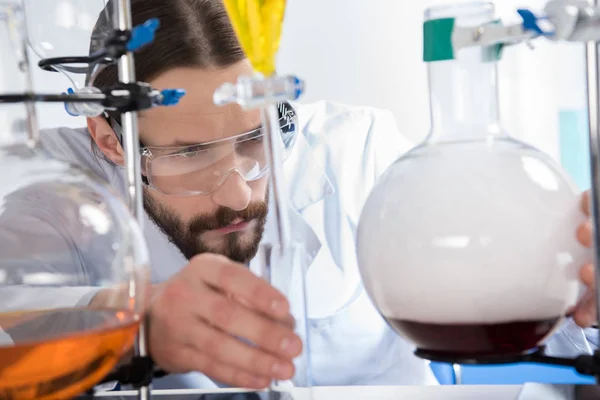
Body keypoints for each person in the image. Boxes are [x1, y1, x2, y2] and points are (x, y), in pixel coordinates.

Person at [4, 0, 600, 390]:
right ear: (109, 139)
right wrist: (133, 330)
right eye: (187, 154)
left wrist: (585, 302)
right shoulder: (57, 188)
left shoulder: (357, 150)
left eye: (254, 140)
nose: (240, 191)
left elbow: (543, 330)